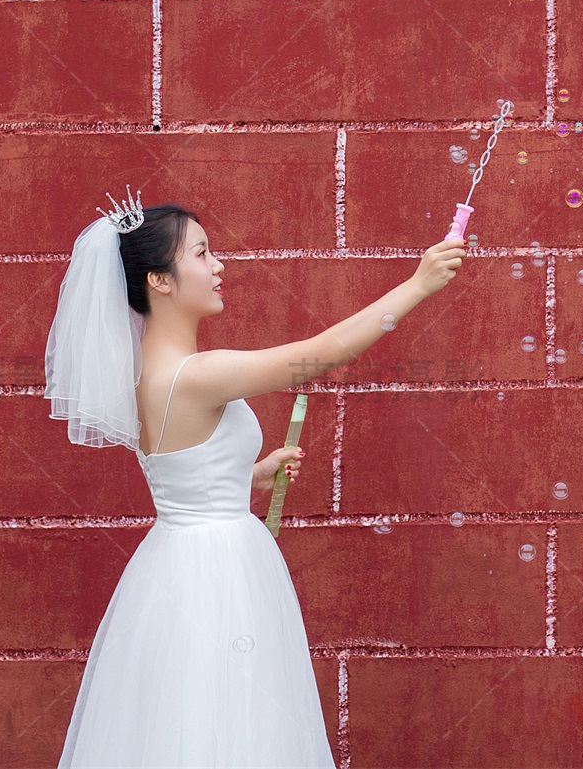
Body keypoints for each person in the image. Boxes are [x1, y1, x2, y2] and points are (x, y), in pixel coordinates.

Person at [42, 187, 466, 767]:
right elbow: (321, 353)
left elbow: (183, 471)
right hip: (218, 574)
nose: (219, 266)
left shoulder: (146, 373)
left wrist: (248, 474)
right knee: (234, 721)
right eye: (201, 254)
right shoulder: (197, 374)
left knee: (193, 717)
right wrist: (418, 284)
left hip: (176, 564)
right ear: (159, 281)